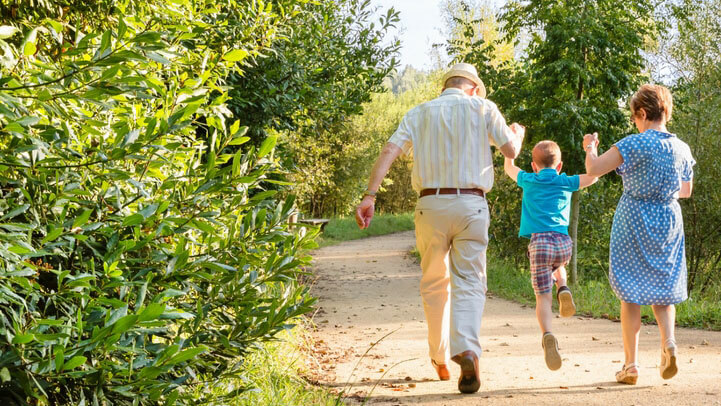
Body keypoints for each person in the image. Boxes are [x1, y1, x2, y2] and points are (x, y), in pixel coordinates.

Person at [355, 63, 524, 394]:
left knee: (434, 283)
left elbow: (390, 149)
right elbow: (510, 151)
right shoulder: (484, 107)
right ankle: (468, 349)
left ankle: (440, 358)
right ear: (473, 88)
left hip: (430, 204)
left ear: (445, 86)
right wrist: (516, 134)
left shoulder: (420, 112)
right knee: (470, 282)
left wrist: (370, 195)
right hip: (472, 205)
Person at [582, 84, 695, 385]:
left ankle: (631, 365)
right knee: (664, 287)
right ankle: (668, 343)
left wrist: (590, 146)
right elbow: (685, 191)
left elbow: (594, 169)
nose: (634, 122)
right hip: (669, 220)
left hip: (633, 218)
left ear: (643, 113)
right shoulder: (682, 149)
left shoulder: (632, 144)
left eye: (634, 117)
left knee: (630, 292)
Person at [503, 140, 597, 371]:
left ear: (534, 166)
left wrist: (512, 147)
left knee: (542, 298)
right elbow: (593, 176)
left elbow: (509, 168)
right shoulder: (565, 180)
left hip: (540, 243)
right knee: (558, 264)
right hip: (563, 242)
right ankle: (563, 287)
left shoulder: (529, 179)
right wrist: (590, 148)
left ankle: (547, 334)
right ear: (560, 165)